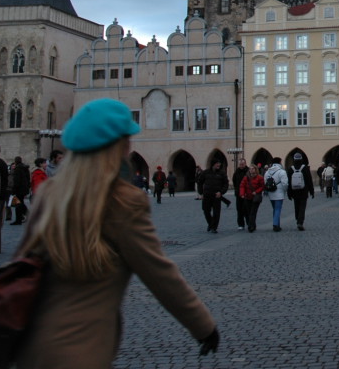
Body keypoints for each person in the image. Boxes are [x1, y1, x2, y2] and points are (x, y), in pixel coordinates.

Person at [12, 98, 218, 367]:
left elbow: (22, 261)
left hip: (30, 343)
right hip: (81, 349)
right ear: (117, 145)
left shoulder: (51, 193)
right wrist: (204, 326)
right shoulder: (122, 200)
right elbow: (159, 274)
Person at [287, 153, 315, 230]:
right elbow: (309, 180)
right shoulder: (305, 168)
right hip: (303, 191)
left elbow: (288, 182)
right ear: (301, 159)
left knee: (296, 206)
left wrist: (289, 193)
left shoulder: (290, 169)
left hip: (294, 191)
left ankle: (297, 219)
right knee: (302, 207)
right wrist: (311, 191)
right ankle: (300, 221)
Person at [200, 161, 228, 233]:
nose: (219, 164)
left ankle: (214, 227)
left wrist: (221, 192)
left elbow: (226, 184)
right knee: (206, 211)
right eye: (217, 163)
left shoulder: (222, 173)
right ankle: (210, 223)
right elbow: (200, 182)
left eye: (219, 163)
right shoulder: (206, 172)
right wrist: (201, 193)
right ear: (213, 164)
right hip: (207, 195)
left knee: (216, 213)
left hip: (217, 196)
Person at [264, 157, 288, 231]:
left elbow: (265, 182)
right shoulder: (282, 172)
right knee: (278, 209)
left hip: (271, 192)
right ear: (280, 162)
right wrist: (285, 190)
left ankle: (277, 224)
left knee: (274, 209)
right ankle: (275, 224)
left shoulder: (267, 172)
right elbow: (285, 183)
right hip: (279, 192)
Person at [239, 164, 265, 232]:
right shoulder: (246, 178)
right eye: (250, 169)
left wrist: (256, 192)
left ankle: (251, 227)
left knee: (253, 212)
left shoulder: (260, 178)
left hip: (256, 197)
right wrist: (242, 194)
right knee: (249, 212)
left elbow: (262, 186)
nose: (251, 170)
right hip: (248, 197)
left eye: (253, 169)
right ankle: (253, 225)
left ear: (255, 169)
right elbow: (242, 186)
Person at [10, 156, 31, 224]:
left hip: (19, 189)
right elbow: (28, 179)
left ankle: (19, 219)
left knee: (18, 204)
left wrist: (14, 190)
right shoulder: (25, 168)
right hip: (24, 188)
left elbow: (16, 180)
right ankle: (25, 216)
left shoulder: (18, 168)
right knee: (21, 203)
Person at [232, 158, 249, 230]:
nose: (241, 165)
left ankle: (249, 223)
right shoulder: (237, 172)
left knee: (247, 209)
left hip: (247, 194)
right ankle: (241, 224)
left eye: (242, 164)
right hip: (238, 193)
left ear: (245, 164)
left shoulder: (248, 171)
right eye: (240, 164)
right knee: (239, 209)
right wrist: (237, 190)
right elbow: (234, 181)